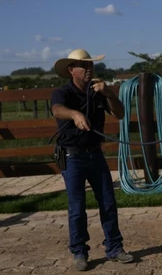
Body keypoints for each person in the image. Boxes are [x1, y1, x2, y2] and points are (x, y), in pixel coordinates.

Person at [50, 48, 134, 271]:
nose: (89, 69)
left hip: (95, 154)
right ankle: (79, 252)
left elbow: (121, 113)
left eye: (91, 66)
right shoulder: (62, 92)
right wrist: (75, 114)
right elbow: (57, 110)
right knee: (77, 206)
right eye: (84, 66)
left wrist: (109, 94)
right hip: (72, 156)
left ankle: (115, 248)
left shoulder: (98, 91)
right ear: (71, 70)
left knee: (108, 202)